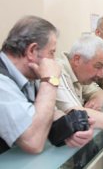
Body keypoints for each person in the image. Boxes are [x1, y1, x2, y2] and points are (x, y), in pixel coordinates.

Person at [0, 16, 93, 154]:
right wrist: (50, 80)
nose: (53, 60)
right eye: (51, 52)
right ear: (32, 51)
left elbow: (50, 113)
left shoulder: (30, 75)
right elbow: (33, 142)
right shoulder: (2, 82)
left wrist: (68, 130)